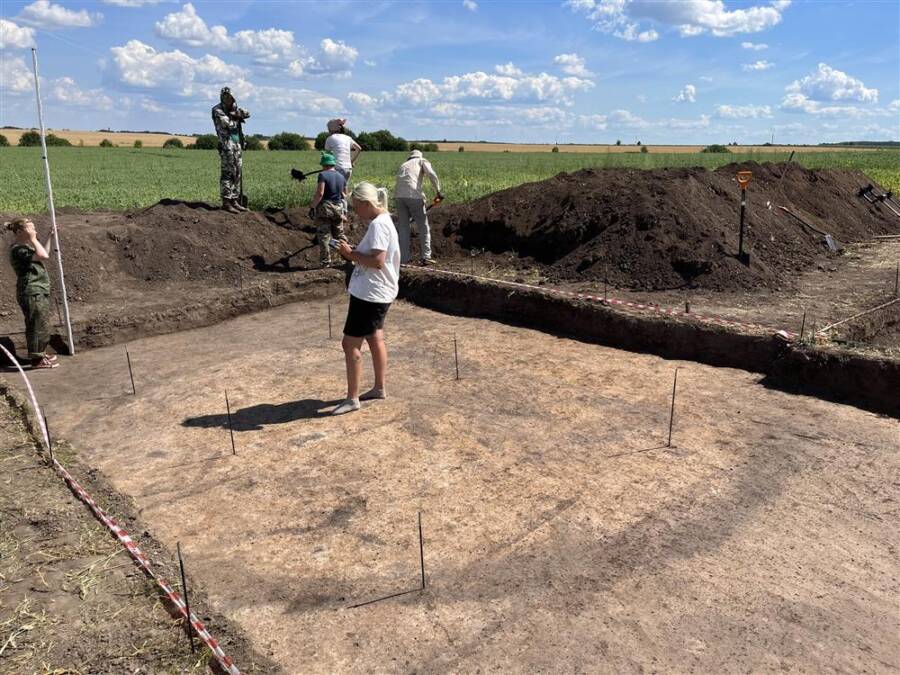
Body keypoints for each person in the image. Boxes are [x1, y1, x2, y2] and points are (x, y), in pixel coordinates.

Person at [331, 183, 400, 415]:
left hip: (370, 295)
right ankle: (379, 388)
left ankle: (352, 398)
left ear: (366, 203)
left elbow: (378, 262)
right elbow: (374, 256)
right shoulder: (383, 221)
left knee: (350, 344)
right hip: (378, 292)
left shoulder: (379, 225)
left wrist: (350, 255)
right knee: (375, 337)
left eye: (355, 206)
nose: (354, 211)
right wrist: (355, 252)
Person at [5, 217, 59, 369]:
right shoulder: (18, 250)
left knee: (40, 323)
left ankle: (39, 353)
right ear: (20, 231)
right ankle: (37, 359)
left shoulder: (26, 248)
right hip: (31, 291)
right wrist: (34, 239)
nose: (34, 231)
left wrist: (49, 237)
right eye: (31, 228)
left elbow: (43, 254)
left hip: (37, 290)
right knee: (36, 325)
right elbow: (43, 256)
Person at [394, 149, 443, 265]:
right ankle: (426, 256)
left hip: (399, 197)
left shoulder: (403, 165)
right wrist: (438, 191)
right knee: (423, 226)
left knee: (404, 228)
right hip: (414, 196)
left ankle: (404, 259)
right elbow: (431, 174)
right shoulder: (421, 161)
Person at [211, 87, 250, 214]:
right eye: (225, 96)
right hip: (226, 145)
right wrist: (238, 117)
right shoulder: (217, 110)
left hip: (237, 145)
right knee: (228, 173)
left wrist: (238, 113)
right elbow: (228, 124)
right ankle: (226, 202)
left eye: (230, 97)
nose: (228, 99)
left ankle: (234, 200)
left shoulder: (234, 108)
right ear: (222, 97)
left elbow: (248, 113)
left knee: (237, 172)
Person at [308, 151, 347, 266]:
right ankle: (347, 256)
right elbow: (345, 194)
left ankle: (325, 262)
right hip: (338, 208)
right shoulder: (341, 176)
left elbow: (320, 194)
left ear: (324, 164)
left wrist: (312, 207)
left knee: (324, 236)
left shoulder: (323, 175)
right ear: (333, 164)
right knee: (339, 234)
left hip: (325, 209)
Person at [324, 119, 361, 183]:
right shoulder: (348, 138)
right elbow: (359, 148)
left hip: (338, 169)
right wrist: (351, 162)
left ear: (331, 129)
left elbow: (327, 156)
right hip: (348, 169)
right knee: (344, 189)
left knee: (336, 190)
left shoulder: (330, 138)